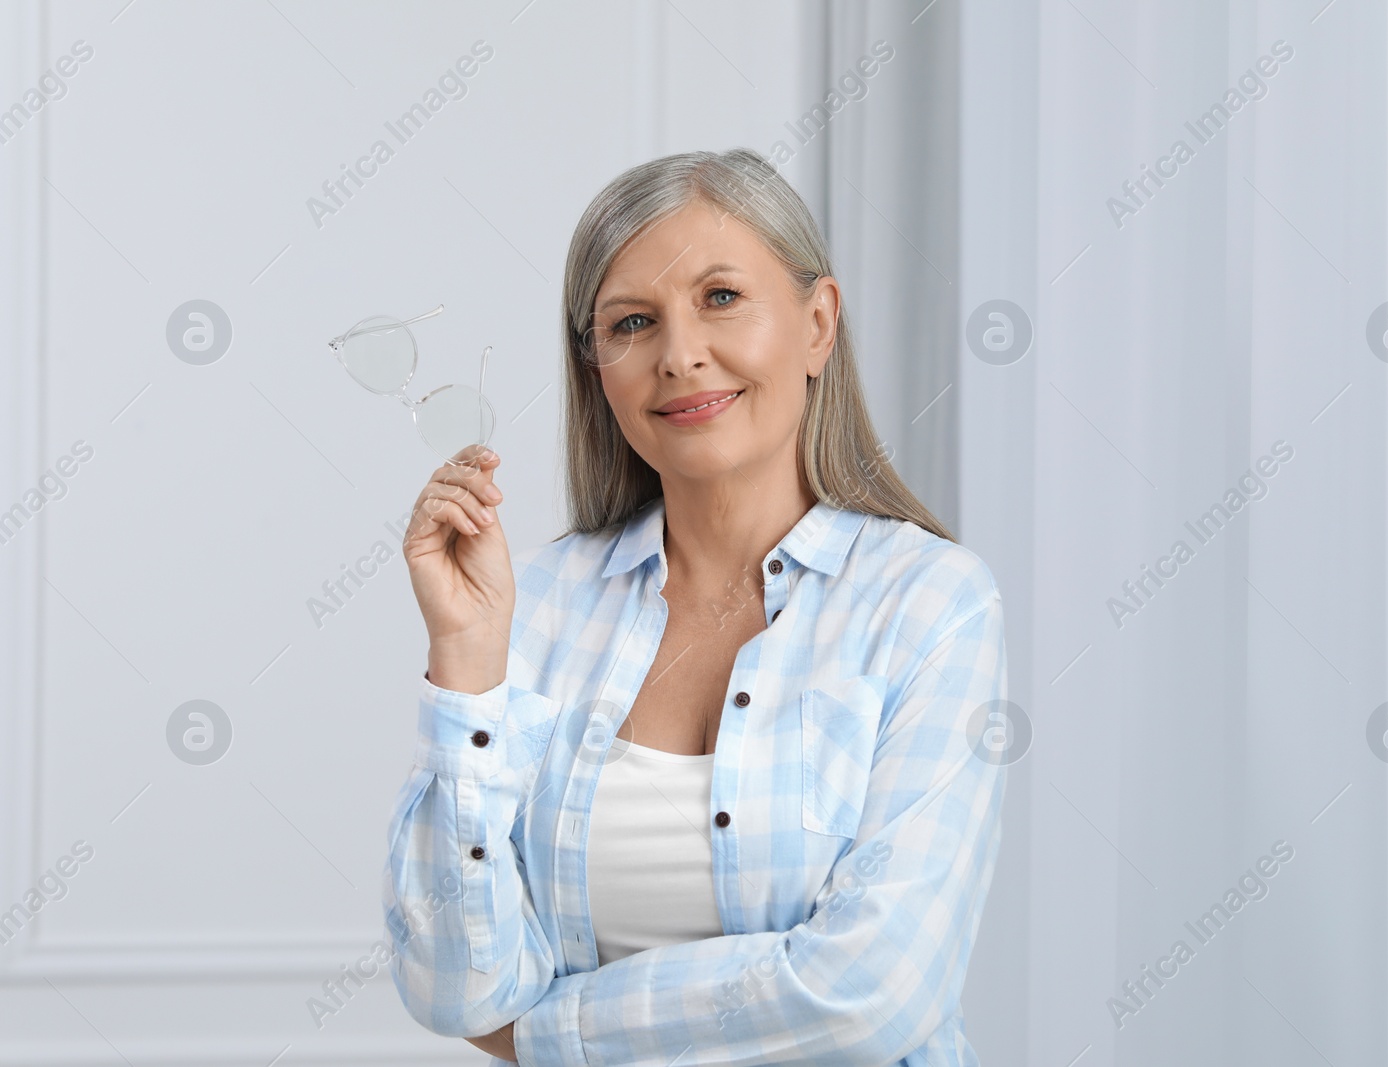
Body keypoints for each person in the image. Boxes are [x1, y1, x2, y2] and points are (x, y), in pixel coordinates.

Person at [381, 147, 1010, 1065]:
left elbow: (871, 996)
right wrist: (469, 665)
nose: (679, 354)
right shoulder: (536, 604)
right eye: (633, 322)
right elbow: (454, 988)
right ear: (599, 368)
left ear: (818, 324)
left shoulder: (929, 603)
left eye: (721, 297)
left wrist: (545, 1031)